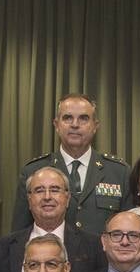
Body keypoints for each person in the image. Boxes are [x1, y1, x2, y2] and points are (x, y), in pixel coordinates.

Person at [0, 165, 104, 272]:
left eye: (54, 190)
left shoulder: (94, 246)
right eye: (39, 190)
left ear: (67, 198)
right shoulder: (4, 248)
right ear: (29, 199)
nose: (47, 197)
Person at [11, 93, 130, 235]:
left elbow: (130, 230)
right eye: (68, 118)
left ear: (95, 126)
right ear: (56, 125)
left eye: (83, 119)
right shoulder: (34, 171)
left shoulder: (119, 172)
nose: (75, 125)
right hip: (52, 256)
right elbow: (20, 233)